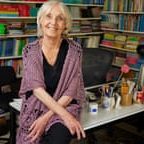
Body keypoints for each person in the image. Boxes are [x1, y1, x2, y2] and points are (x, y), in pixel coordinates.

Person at [16, 1, 86, 144]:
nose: (53, 22)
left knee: (58, 139)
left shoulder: (75, 51)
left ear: (65, 24)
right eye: (48, 16)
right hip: (37, 104)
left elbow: (72, 90)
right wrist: (59, 116)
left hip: (65, 105)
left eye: (60, 18)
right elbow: (37, 90)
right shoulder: (30, 51)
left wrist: (47, 117)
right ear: (40, 20)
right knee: (31, 138)